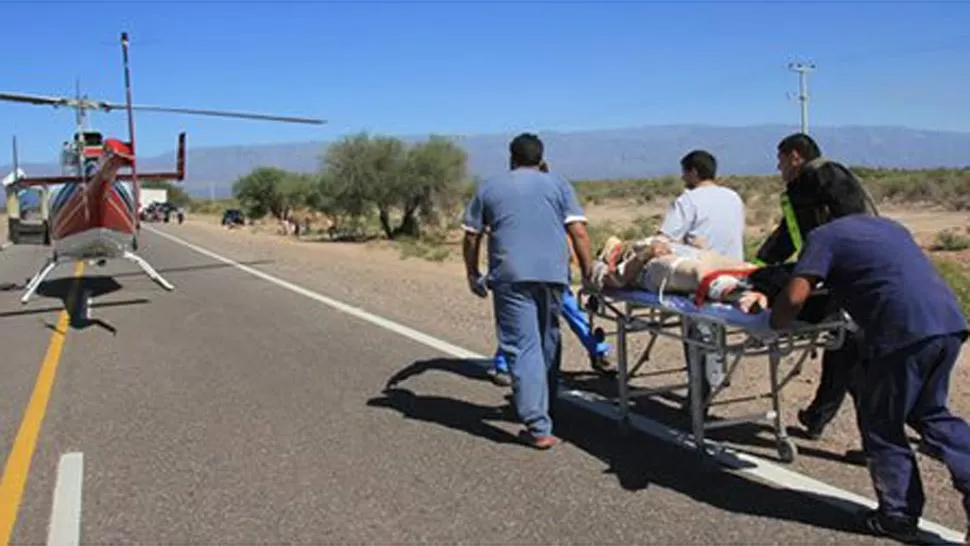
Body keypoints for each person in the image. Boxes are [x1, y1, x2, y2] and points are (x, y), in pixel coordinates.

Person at [769, 213, 970, 543]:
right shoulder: (889, 225)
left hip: (901, 332)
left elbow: (794, 296)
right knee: (930, 412)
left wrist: (776, 321)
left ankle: (897, 515)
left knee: (881, 422)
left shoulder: (823, 236)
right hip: (948, 323)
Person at [462, 133, 595, 449]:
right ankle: (547, 405)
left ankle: (537, 425)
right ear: (541, 158)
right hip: (553, 275)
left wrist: (472, 272)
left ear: (511, 157)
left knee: (523, 346)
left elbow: (471, 236)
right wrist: (588, 273)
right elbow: (578, 232)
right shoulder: (559, 184)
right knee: (548, 338)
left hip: (511, 275)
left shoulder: (490, 187)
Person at [755, 133, 878, 440]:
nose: (779, 167)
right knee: (844, 351)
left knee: (855, 355)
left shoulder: (811, 180)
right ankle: (817, 417)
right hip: (862, 274)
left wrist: (760, 268)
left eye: (781, 160)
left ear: (795, 156)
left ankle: (882, 441)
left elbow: (792, 234)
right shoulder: (838, 175)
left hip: (846, 278)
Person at [487, 160, 611, 386]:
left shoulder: (543, 197)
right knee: (529, 318)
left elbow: (572, 233)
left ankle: (597, 350)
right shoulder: (546, 196)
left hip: (545, 269)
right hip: (538, 268)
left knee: (557, 314)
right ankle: (503, 364)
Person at [656, 150, 745, 410]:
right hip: (733, 273)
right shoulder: (733, 197)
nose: (683, 177)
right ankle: (713, 382)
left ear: (693, 171)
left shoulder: (688, 200)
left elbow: (665, 239)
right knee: (715, 330)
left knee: (698, 337)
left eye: (685, 172)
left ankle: (700, 396)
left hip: (701, 277)